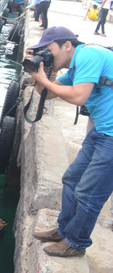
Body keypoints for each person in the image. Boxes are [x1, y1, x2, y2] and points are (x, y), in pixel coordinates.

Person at [29, 27, 113, 257]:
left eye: (49, 51)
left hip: (110, 136)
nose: (48, 55)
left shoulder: (89, 55)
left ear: (67, 45)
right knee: (72, 179)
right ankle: (65, 231)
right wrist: (40, 73)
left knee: (89, 192)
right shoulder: (76, 67)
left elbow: (78, 97)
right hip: (101, 131)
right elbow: (48, 94)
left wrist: (44, 80)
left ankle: (76, 243)